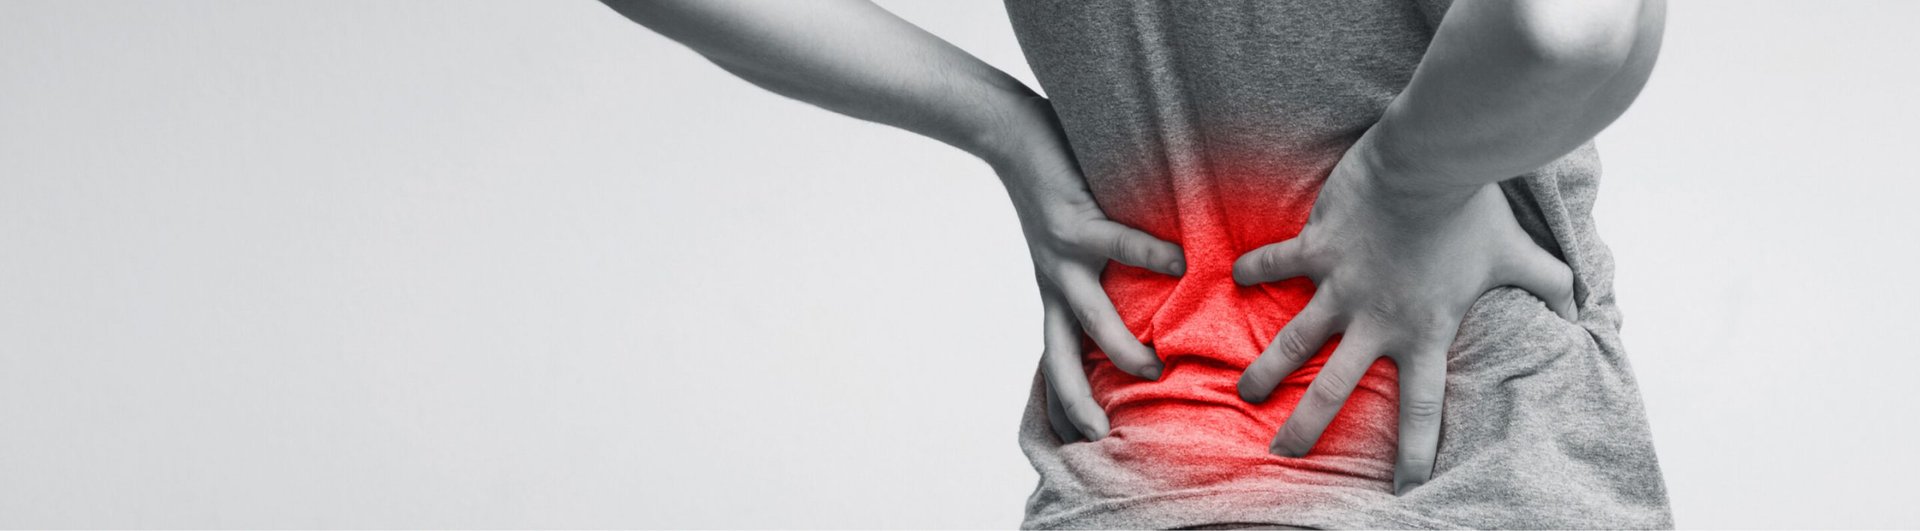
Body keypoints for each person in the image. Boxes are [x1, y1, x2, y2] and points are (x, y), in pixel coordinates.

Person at [607, 0, 1671, 528]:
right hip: (1460, 456)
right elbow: (1568, 27)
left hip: (1139, 473)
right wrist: (1405, 182)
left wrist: (1001, 126)